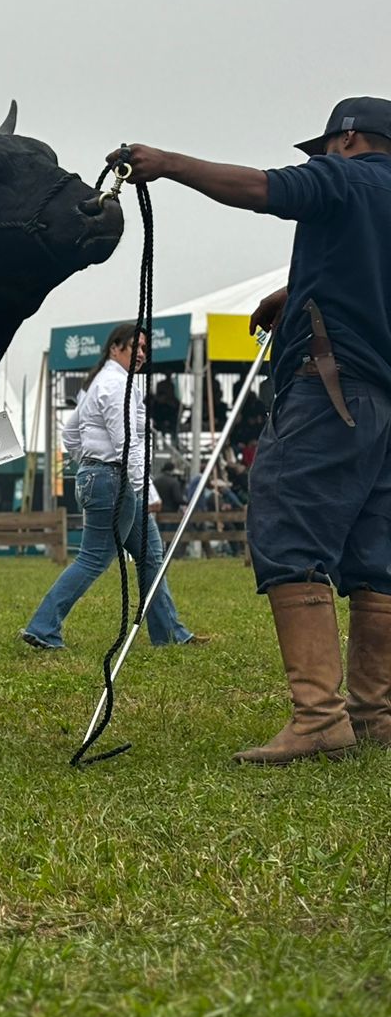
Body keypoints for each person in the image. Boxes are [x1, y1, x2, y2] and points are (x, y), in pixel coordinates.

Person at [111, 96, 391, 763]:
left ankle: (320, 719)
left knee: (289, 525)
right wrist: (294, 293)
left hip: (332, 385)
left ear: (348, 141)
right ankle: (376, 714)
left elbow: (260, 189)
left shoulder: (345, 178)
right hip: (384, 396)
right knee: (377, 551)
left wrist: (167, 163)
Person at [21, 323, 201, 650]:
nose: (143, 354)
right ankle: (43, 627)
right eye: (137, 347)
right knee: (93, 558)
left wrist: (87, 464)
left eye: (146, 349)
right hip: (114, 480)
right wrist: (147, 489)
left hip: (104, 477)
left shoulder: (100, 383)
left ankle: (170, 633)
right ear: (115, 347)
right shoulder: (117, 385)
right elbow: (126, 443)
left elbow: (70, 432)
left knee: (149, 554)